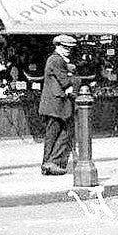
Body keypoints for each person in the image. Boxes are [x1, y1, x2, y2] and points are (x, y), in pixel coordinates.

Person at [39, 34, 78, 175]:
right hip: (56, 105)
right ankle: (52, 162)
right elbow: (66, 82)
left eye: (69, 48)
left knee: (53, 135)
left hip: (55, 105)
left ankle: (48, 164)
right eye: (65, 47)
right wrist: (73, 80)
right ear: (57, 46)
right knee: (63, 133)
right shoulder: (56, 60)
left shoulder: (57, 60)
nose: (67, 50)